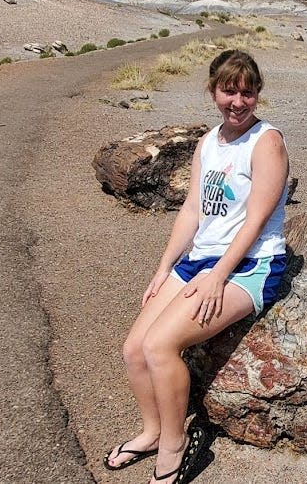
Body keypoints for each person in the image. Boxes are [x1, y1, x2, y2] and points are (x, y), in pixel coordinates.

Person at [103, 49, 289, 484]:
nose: (238, 102)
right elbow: (192, 210)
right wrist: (164, 267)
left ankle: (175, 444)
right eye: (229, 91)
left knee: (159, 347)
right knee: (134, 349)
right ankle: (151, 432)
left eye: (247, 92)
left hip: (249, 264)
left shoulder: (267, 143)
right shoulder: (208, 141)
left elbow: (257, 218)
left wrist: (219, 276)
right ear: (213, 92)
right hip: (200, 258)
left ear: (258, 94)